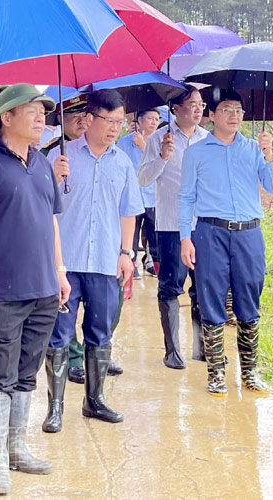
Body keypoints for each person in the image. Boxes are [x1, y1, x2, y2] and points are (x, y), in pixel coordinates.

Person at [0, 83, 71, 496]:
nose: (41, 117)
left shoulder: (42, 162)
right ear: (6, 117)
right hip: (1, 290)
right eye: (32, 111)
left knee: (26, 372)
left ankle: (17, 448)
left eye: (43, 111)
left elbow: (51, 220)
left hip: (43, 288)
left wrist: (59, 271)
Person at [41, 89, 142, 435]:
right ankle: (55, 407)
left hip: (104, 262)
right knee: (59, 335)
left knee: (100, 332)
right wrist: (53, 177)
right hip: (65, 264)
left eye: (120, 121)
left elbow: (128, 211)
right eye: (109, 120)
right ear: (89, 119)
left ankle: (94, 400)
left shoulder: (123, 163)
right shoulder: (59, 156)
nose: (115, 128)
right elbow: (39, 206)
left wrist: (126, 253)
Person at [178, 89, 273, 397]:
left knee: (249, 298)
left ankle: (250, 372)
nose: (234, 115)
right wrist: (186, 238)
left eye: (238, 110)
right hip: (210, 233)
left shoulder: (253, 149)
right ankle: (216, 373)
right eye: (226, 109)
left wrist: (269, 154)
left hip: (249, 233)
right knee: (211, 299)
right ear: (212, 115)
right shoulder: (196, 152)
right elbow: (186, 198)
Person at [137, 88, 209, 369]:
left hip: (203, 225)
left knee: (203, 288)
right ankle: (172, 350)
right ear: (175, 108)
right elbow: (143, 179)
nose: (198, 109)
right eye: (192, 104)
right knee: (170, 287)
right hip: (170, 226)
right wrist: (162, 157)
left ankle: (201, 348)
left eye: (201, 104)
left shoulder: (208, 139)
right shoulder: (158, 138)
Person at [41, 95, 90, 384]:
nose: (82, 121)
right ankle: (72, 358)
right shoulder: (50, 153)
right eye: (74, 116)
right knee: (66, 308)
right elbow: (42, 201)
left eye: (85, 115)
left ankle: (93, 352)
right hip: (62, 241)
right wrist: (56, 178)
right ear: (60, 120)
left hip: (90, 239)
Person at [118, 108, 162, 279]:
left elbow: (160, 165)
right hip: (133, 196)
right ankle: (131, 264)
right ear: (139, 120)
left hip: (153, 196)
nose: (154, 122)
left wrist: (143, 145)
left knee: (154, 234)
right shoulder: (124, 142)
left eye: (156, 119)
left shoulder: (160, 141)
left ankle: (156, 265)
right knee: (131, 233)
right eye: (150, 118)